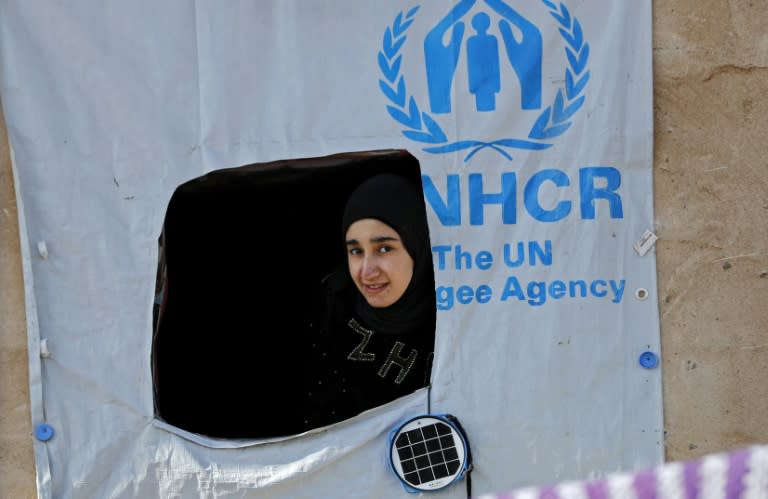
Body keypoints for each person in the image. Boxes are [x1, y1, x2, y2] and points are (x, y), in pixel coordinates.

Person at [303, 173, 436, 430]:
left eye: (384, 249)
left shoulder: (456, 316)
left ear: (417, 244)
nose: (366, 272)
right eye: (356, 251)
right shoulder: (331, 309)